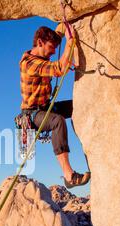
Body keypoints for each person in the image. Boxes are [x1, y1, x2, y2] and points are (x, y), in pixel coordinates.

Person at [19, 25, 90, 188]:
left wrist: (62, 28)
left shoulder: (42, 56)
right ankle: (68, 175)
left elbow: (56, 35)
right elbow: (59, 68)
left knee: (77, 105)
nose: (53, 52)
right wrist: (70, 43)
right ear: (39, 42)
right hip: (31, 114)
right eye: (51, 48)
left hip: (44, 108)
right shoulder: (28, 63)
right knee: (57, 121)